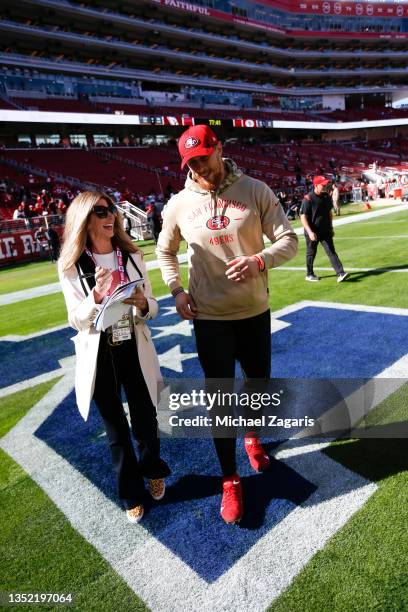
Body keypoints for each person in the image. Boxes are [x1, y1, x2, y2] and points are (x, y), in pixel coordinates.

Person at [156, 125, 298, 524]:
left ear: (219, 148)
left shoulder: (255, 189)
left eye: (203, 157)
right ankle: (230, 479)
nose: (198, 167)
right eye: (191, 163)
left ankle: (253, 438)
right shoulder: (178, 205)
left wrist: (259, 260)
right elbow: (165, 251)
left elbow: (288, 240)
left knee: (258, 386)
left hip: (253, 311)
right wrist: (176, 290)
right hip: (209, 318)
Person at [58, 191, 170, 523]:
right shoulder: (71, 266)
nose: (112, 216)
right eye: (102, 211)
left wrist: (142, 303)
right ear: (84, 219)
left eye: (113, 210)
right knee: (116, 429)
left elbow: (153, 305)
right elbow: (76, 320)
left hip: (134, 347)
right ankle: (130, 493)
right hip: (100, 355)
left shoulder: (133, 255)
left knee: (146, 418)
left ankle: (153, 470)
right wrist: (94, 298)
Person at [300, 176, 348, 283]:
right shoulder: (308, 198)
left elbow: (329, 213)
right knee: (311, 253)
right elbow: (303, 217)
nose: (325, 186)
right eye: (323, 184)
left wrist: (331, 227)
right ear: (316, 185)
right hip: (313, 232)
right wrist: (310, 232)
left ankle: (341, 273)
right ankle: (309, 274)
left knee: (331, 252)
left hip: (325, 230)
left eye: (326, 184)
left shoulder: (326, 196)